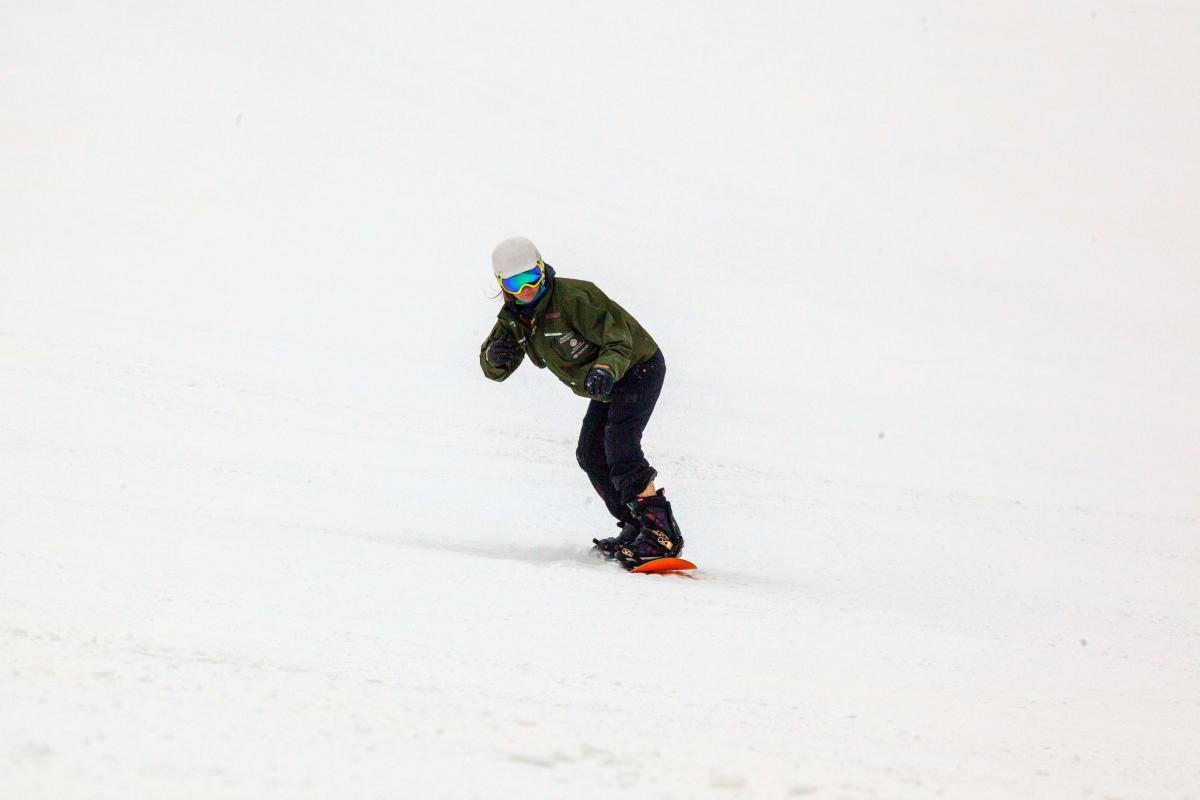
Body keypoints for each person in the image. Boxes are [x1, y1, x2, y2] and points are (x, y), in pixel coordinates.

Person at [479, 236, 684, 570]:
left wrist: (605, 368)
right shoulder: (515, 319)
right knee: (590, 454)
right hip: (608, 383)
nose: (526, 288)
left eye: (532, 276)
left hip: (637, 368)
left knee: (619, 443)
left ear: (543, 270)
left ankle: (661, 533)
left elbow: (620, 339)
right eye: (516, 283)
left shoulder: (575, 297)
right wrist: (495, 358)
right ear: (503, 285)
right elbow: (494, 369)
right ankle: (636, 526)